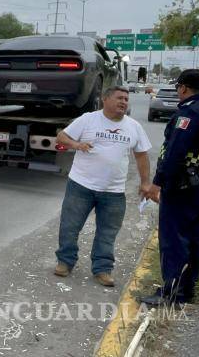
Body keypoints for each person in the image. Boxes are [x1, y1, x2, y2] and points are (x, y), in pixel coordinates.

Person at [54, 87, 152, 286]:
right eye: (119, 98)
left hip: (114, 192)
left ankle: (102, 269)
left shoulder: (133, 126)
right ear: (105, 99)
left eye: (126, 99)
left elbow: (141, 155)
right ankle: (65, 261)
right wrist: (77, 145)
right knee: (70, 227)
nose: (124, 102)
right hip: (81, 186)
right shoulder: (88, 119)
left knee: (107, 233)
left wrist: (145, 182)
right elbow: (61, 136)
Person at [141, 69, 199, 306]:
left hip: (183, 183)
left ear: (183, 88)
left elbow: (175, 152)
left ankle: (173, 292)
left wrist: (157, 182)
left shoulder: (190, 112)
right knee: (193, 235)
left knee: (174, 236)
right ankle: (187, 288)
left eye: (177, 88)